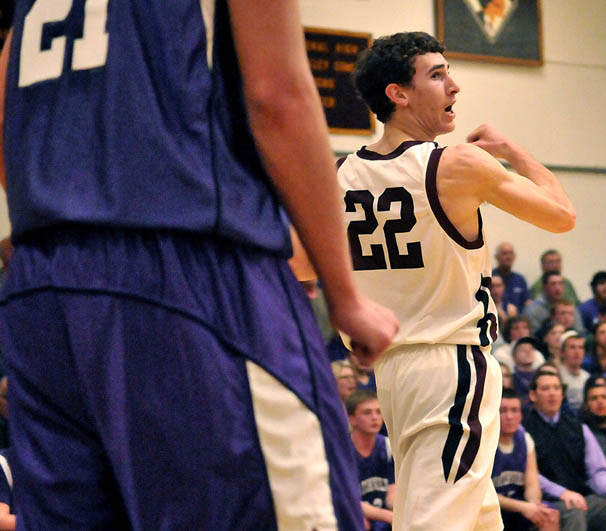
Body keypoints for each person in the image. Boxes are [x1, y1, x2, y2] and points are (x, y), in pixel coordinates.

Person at [0, 2, 400, 529]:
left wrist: (62, 212)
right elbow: (276, 97)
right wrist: (344, 296)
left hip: (41, 287)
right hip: (186, 269)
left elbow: (5, 108)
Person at [339, 31, 575, 530]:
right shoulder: (456, 164)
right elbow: (561, 214)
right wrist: (515, 151)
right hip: (451, 367)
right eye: (437, 74)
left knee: (475, 517)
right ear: (398, 94)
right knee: (434, 522)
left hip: (391, 372)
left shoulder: (337, 177)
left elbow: (297, 266)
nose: (455, 86)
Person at [523, 369, 606, 530]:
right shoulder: (523, 430)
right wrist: (562, 493)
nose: (552, 394)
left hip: (582, 497)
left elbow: (597, 470)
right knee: (574, 510)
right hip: (547, 501)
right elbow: (528, 475)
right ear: (533, 395)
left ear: (563, 394)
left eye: (557, 388)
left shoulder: (577, 427)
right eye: (545, 389)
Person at [492, 389, 559, 531]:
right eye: (503, 410)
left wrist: (534, 506)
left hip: (516, 507)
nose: (509, 416)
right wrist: (524, 507)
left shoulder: (526, 439)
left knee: (548, 516)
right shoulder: (483, 443)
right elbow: (483, 494)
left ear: (521, 415)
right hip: (490, 509)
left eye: (515, 410)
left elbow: (532, 484)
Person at [347, 391, 395, 531]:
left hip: (381, 518)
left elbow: (392, 492)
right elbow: (348, 501)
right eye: (367, 413)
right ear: (352, 419)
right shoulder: (343, 451)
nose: (375, 417)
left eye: (378, 412)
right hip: (352, 514)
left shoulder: (387, 446)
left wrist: (401, 510)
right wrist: (388, 515)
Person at [493, 243, 530, 312]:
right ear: (497, 257)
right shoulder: (490, 278)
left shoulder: (520, 279)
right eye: (504, 253)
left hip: (517, 320)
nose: (508, 257)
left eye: (511, 253)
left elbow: (527, 302)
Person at [559, 332, 590, 412]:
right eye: (572, 347)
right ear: (562, 353)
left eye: (581, 348)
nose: (577, 352)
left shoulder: (587, 377)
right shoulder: (557, 376)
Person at [512, 337, 546, 404]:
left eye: (531, 349)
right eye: (523, 350)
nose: (528, 352)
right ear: (514, 355)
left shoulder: (540, 377)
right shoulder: (511, 379)